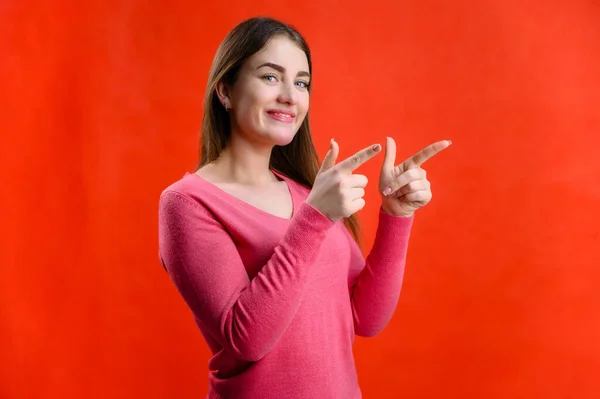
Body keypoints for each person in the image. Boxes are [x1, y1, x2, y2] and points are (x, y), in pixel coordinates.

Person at [158, 16, 451, 399]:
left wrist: (397, 214)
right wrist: (314, 219)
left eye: (301, 83)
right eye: (270, 77)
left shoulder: (307, 193)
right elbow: (245, 339)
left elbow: (366, 318)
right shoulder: (188, 203)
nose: (290, 96)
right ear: (225, 90)